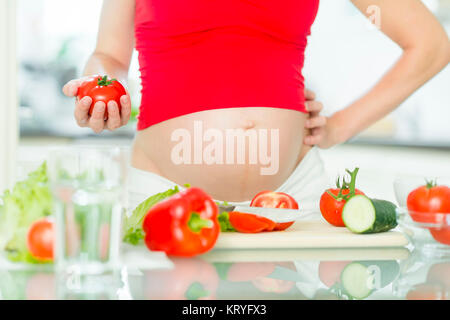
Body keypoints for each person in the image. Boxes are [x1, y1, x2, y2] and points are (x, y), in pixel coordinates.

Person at [63, 0, 449, 209]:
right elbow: (108, 56)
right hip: (167, 194)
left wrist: (341, 126)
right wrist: (104, 81)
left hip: (294, 193)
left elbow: (431, 45)